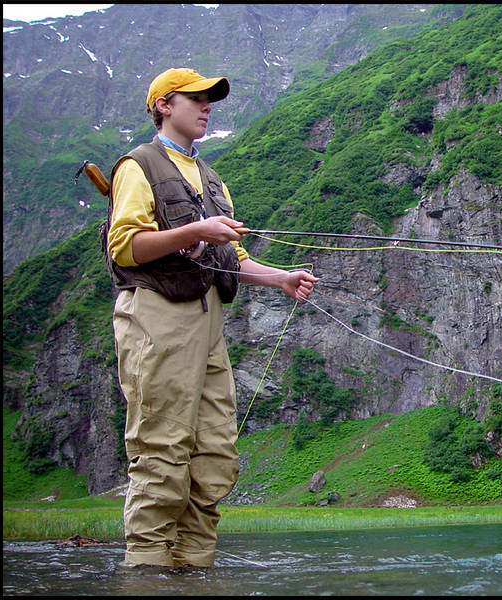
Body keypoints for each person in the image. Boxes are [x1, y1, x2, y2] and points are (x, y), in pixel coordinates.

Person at [106, 67, 319, 568]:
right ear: (163, 105)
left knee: (216, 452)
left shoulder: (212, 178)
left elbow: (233, 259)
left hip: (208, 327)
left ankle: (196, 565)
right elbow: (126, 247)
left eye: (210, 100)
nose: (206, 107)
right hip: (157, 318)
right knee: (162, 446)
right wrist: (193, 230)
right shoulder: (138, 166)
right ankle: (146, 569)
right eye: (195, 98)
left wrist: (281, 278)